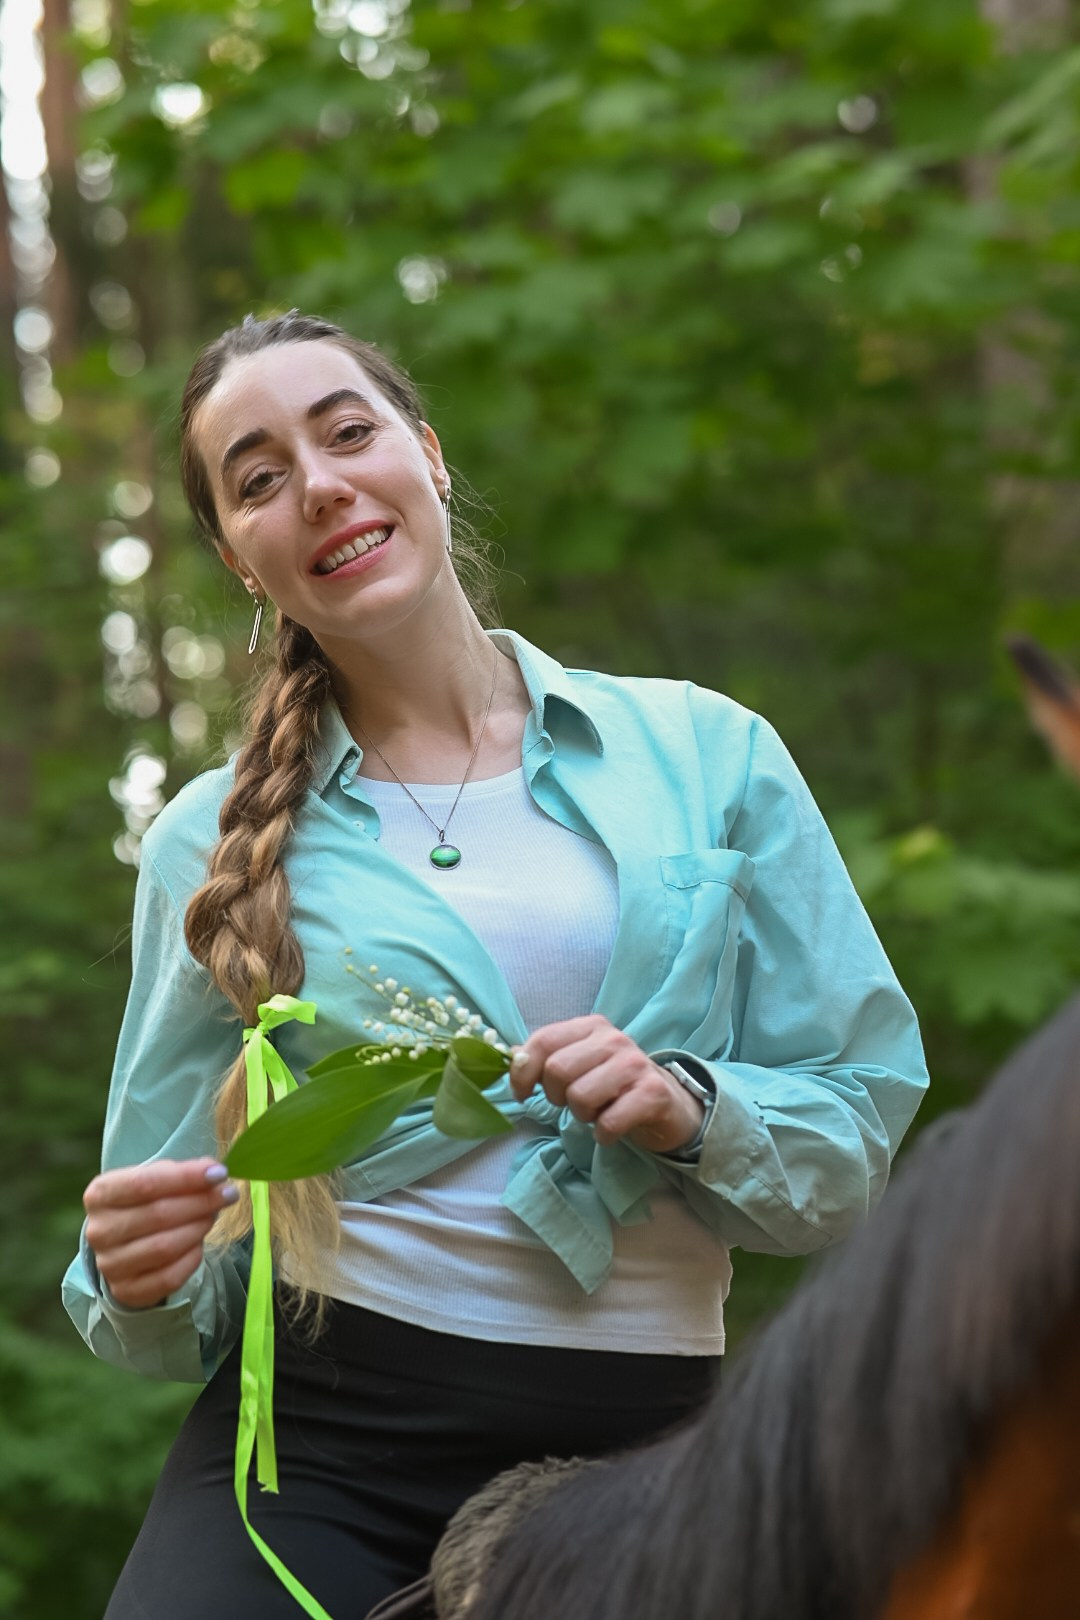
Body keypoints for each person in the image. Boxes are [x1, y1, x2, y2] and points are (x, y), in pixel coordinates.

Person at [63, 310, 929, 1619]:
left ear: (428, 453)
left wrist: (694, 1108)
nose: (319, 485)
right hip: (316, 1456)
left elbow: (854, 1134)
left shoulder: (710, 753)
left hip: (648, 1462)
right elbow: (159, 1268)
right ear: (244, 560)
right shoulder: (209, 837)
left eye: (347, 433)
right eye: (258, 478)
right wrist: (136, 1267)